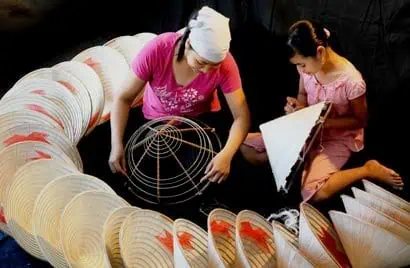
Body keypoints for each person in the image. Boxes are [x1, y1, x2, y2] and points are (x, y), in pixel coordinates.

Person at [240, 20, 403, 203]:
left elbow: (360, 121)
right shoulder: (307, 70)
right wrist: (297, 108)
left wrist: (322, 122)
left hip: (336, 135)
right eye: (297, 65)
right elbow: (302, 94)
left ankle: (367, 169)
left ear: (320, 52)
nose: (300, 70)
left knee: (314, 192)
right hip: (306, 126)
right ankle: (294, 159)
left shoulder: (352, 81)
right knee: (246, 146)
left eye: (302, 65)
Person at [109, 6, 250, 184]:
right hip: (156, 121)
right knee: (148, 173)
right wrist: (116, 144)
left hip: (199, 121)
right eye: (201, 62)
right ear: (188, 44)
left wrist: (227, 154)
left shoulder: (226, 64)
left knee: (208, 173)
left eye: (214, 66)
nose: (206, 71)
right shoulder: (158, 50)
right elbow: (123, 98)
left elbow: (241, 116)